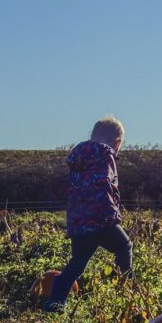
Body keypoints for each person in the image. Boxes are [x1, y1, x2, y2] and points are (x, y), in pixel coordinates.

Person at [43, 116, 133, 312]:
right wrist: (111, 212)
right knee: (124, 245)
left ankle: (54, 302)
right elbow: (104, 183)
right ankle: (129, 292)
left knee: (78, 263)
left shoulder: (78, 157)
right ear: (117, 142)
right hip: (100, 217)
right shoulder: (106, 154)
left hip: (79, 220)